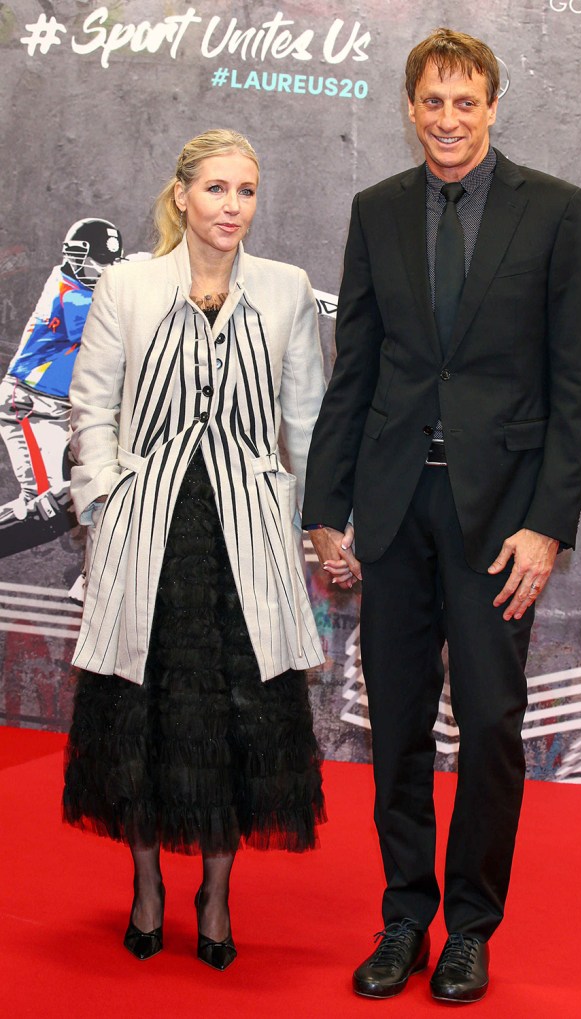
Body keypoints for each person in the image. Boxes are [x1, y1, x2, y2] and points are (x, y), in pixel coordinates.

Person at [302, 29, 581, 1004]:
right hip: (394, 507)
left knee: (488, 722)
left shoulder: (555, 213)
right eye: (429, 102)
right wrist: (324, 506)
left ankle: (468, 927)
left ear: (490, 104)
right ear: (408, 107)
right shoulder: (375, 210)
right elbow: (354, 370)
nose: (445, 119)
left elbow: (575, 382)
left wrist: (546, 521)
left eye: (462, 102)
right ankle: (402, 915)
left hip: (499, 520)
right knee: (391, 725)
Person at [63, 129, 334, 969]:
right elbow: (92, 406)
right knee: (139, 715)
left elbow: (306, 420)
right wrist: (106, 502)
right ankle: (146, 884)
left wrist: (316, 523)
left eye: (246, 192)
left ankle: (216, 893)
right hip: (148, 533)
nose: (231, 207)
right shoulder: (129, 284)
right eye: (216, 189)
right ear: (181, 194)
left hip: (247, 538)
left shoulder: (287, 289)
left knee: (241, 720)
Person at [0, 219, 123, 563]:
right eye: (101, 260)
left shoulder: (93, 286)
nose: (107, 269)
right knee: (46, 506)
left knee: (94, 492)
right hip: (30, 404)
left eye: (112, 261)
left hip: (64, 411)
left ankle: (90, 581)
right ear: (77, 254)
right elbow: (109, 325)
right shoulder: (69, 294)